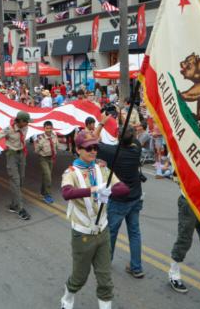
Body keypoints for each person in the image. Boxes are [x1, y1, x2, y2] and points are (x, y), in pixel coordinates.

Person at [59, 130, 129, 309]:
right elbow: (67, 193)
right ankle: (67, 298)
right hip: (83, 235)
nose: (93, 151)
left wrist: (112, 190)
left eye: (96, 147)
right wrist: (95, 189)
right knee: (79, 278)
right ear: (78, 149)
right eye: (89, 148)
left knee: (105, 279)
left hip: (103, 232)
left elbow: (123, 189)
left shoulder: (102, 168)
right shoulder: (71, 172)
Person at [96, 119, 145, 279]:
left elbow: (92, 141)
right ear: (132, 138)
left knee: (111, 232)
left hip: (118, 199)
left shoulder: (112, 152)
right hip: (135, 197)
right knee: (135, 232)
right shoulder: (136, 148)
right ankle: (136, 267)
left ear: (117, 136)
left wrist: (102, 123)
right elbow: (133, 136)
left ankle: (106, 263)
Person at [0, 111, 32, 221]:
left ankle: (13, 204)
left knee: (20, 180)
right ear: (20, 121)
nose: (27, 124)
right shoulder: (9, 129)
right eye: (26, 122)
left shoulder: (25, 127)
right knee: (15, 180)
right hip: (12, 155)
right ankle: (20, 209)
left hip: (22, 154)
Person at [34, 120, 58, 204]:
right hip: (43, 158)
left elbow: (56, 146)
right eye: (47, 128)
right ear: (44, 129)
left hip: (51, 158)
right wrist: (41, 149)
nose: (49, 130)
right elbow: (36, 150)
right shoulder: (40, 138)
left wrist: (54, 154)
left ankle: (42, 192)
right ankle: (47, 195)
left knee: (46, 176)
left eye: (50, 128)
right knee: (48, 176)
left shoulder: (54, 136)